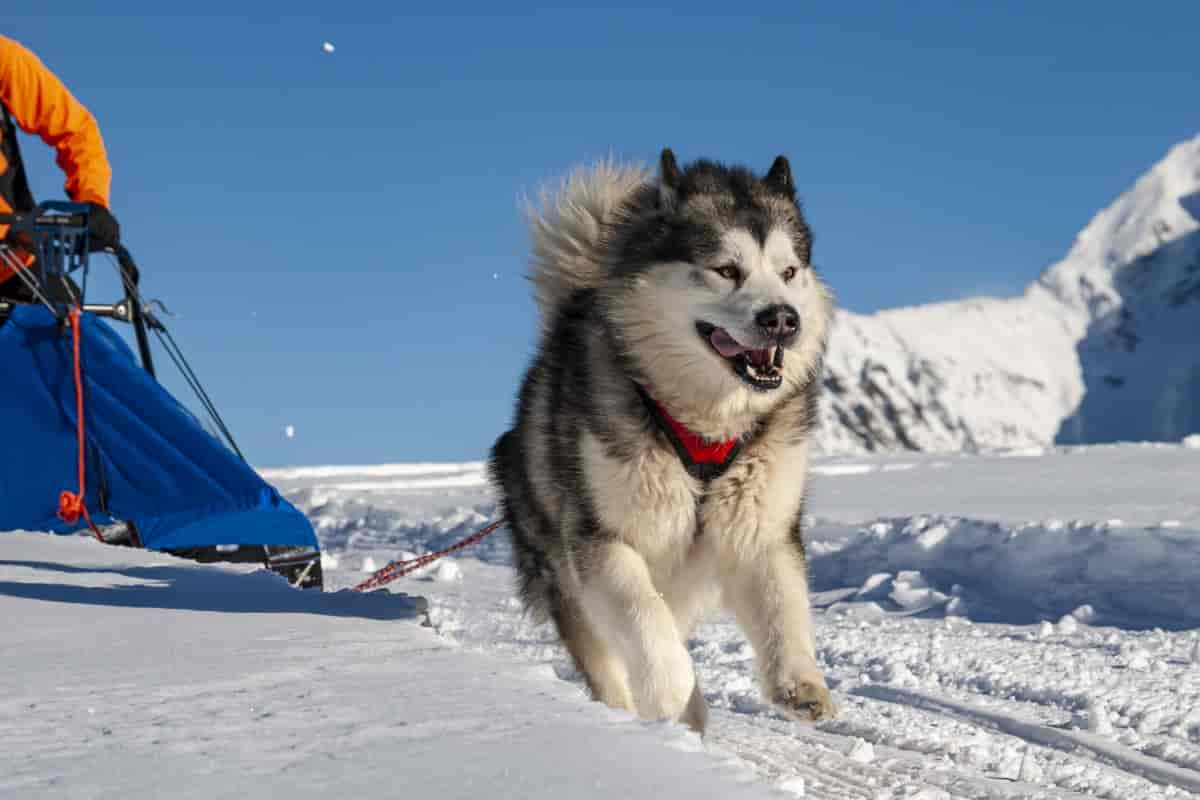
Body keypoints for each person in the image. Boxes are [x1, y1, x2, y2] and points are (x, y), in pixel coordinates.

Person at [1, 34, 120, 298]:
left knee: (75, 333)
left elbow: (76, 131)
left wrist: (92, 200)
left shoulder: (3, 58)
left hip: (14, 264)